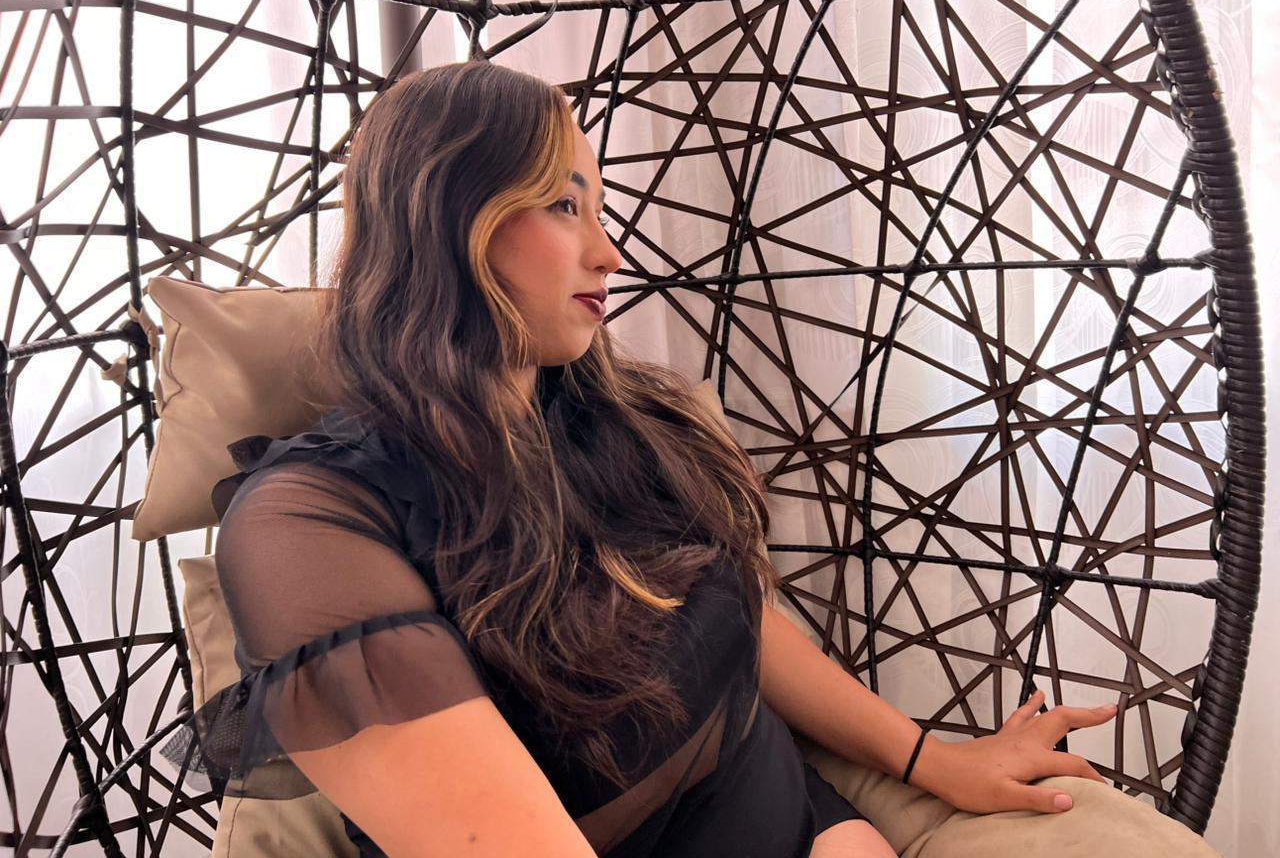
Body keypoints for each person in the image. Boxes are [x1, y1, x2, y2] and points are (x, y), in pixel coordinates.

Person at [194, 60, 1118, 858]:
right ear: (447, 217)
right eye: (566, 205)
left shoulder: (610, 424)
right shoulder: (308, 521)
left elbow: (734, 613)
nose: (610, 252)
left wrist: (927, 762)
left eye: (599, 209)